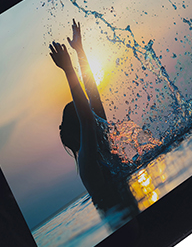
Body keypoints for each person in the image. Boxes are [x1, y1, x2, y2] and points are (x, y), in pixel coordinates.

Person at [49, 20, 134, 215]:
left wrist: (80, 50)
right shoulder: (86, 160)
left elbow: (93, 96)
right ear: (79, 127)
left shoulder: (101, 145)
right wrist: (68, 69)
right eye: (87, 112)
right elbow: (87, 118)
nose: (93, 114)